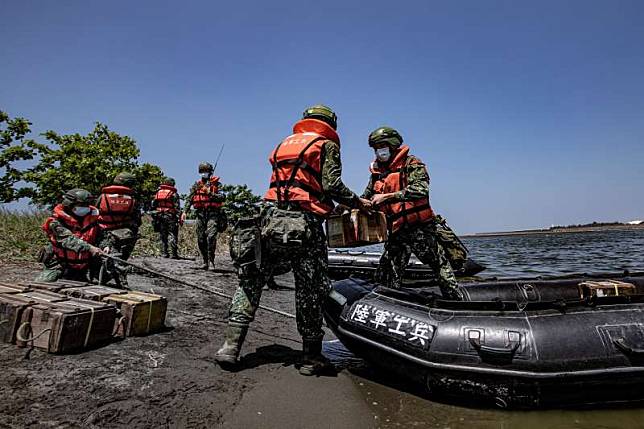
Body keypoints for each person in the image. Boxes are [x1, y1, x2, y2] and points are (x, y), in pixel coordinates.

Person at [215, 104, 372, 375]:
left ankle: (230, 346)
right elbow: (331, 185)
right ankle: (311, 359)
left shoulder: (285, 144)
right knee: (310, 289)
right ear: (330, 123)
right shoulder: (326, 145)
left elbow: (294, 186)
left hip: (267, 219)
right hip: (305, 225)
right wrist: (358, 202)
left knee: (252, 280)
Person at [362, 127, 463, 300]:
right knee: (388, 268)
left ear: (393, 145)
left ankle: (455, 301)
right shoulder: (377, 174)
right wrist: (350, 204)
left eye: (382, 146)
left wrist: (388, 197)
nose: (379, 151)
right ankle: (385, 302)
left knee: (438, 263)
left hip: (419, 228)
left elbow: (421, 190)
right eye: (376, 148)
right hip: (396, 231)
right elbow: (367, 196)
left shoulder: (412, 164)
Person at [36, 189, 104, 282]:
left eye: (86, 205)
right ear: (69, 205)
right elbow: (68, 240)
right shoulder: (56, 222)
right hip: (60, 264)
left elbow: (102, 236)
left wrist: (105, 246)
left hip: (83, 266)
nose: (85, 207)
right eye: (81, 205)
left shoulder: (93, 220)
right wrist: (90, 248)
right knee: (42, 286)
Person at [95, 171, 142, 286]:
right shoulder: (132, 200)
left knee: (104, 258)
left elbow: (94, 214)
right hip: (124, 235)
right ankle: (121, 282)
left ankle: (104, 277)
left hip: (103, 232)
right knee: (121, 260)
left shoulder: (103, 197)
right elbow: (137, 221)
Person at [184, 163, 226, 270]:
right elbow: (189, 199)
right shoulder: (196, 185)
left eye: (206, 171)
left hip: (213, 214)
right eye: (202, 171)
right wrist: (184, 212)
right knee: (201, 239)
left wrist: (210, 193)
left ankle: (211, 260)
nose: (204, 173)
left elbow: (222, 197)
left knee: (211, 236)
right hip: (200, 214)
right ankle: (205, 261)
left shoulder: (217, 184)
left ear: (211, 172)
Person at [152, 177, 182, 259]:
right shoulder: (173, 194)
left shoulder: (158, 193)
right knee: (172, 234)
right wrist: (179, 217)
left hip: (160, 216)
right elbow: (177, 207)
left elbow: (153, 205)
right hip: (170, 216)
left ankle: (164, 253)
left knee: (163, 235)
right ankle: (173, 254)